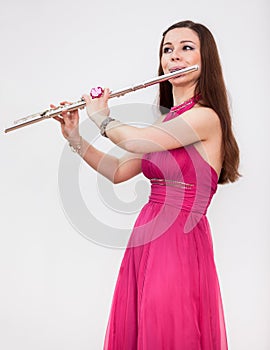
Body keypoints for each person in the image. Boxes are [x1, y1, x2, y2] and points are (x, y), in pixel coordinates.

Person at [52, 20, 240, 350]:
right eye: (168, 50)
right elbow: (119, 169)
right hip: (148, 238)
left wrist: (101, 117)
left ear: (205, 58)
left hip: (178, 241)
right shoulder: (169, 122)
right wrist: (75, 137)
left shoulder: (205, 117)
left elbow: (136, 142)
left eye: (187, 48)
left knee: (169, 330)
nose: (175, 57)